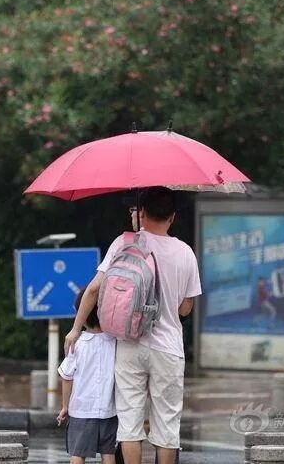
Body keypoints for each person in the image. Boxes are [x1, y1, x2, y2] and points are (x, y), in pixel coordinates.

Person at [65, 187, 201, 464]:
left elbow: (93, 290)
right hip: (168, 348)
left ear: (142, 213)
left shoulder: (124, 242)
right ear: (172, 217)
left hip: (129, 343)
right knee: (166, 424)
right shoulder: (186, 252)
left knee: (129, 422)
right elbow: (186, 307)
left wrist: (76, 329)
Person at [56, 289, 118, 464]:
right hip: (110, 410)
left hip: (81, 410)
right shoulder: (115, 342)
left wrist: (65, 406)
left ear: (80, 314)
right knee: (108, 454)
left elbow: (66, 377)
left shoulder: (77, 345)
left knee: (78, 454)